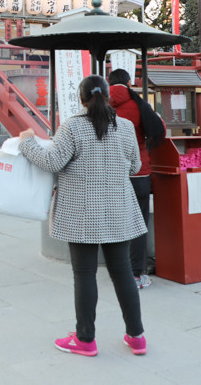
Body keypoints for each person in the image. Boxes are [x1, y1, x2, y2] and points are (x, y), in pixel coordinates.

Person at [19, 75, 147, 358]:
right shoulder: (124, 127)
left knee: (85, 274)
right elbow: (135, 165)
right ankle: (137, 337)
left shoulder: (73, 127)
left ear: (81, 99)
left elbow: (52, 161)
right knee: (123, 272)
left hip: (82, 212)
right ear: (108, 98)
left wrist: (27, 142)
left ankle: (85, 339)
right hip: (117, 209)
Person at [108, 68, 164, 290]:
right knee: (138, 224)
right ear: (129, 82)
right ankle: (134, 275)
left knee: (112, 223)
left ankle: (115, 271)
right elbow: (158, 130)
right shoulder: (137, 103)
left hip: (109, 174)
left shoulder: (99, 104)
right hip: (139, 172)